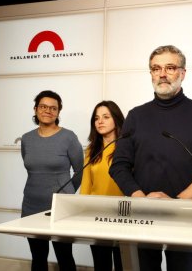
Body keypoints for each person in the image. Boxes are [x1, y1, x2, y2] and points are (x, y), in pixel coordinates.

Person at [109, 45, 192, 271]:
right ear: (151, 74)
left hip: (185, 214)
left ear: (182, 73)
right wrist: (142, 200)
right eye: (156, 68)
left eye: (170, 68)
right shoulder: (136, 115)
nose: (162, 74)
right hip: (142, 213)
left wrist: (179, 203)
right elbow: (119, 166)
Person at [21, 90, 83, 271]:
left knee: (64, 257)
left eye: (53, 108)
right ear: (35, 109)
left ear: (58, 112)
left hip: (60, 208)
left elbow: (80, 171)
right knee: (38, 258)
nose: (48, 111)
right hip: (31, 205)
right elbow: (31, 169)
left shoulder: (68, 137)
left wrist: (65, 194)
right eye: (43, 106)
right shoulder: (27, 138)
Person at [80, 100, 125, 271]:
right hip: (96, 215)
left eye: (106, 117)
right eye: (96, 118)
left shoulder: (128, 147)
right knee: (101, 265)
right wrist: (82, 212)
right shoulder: (91, 150)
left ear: (116, 119)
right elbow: (86, 184)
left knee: (123, 265)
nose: (100, 121)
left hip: (123, 215)